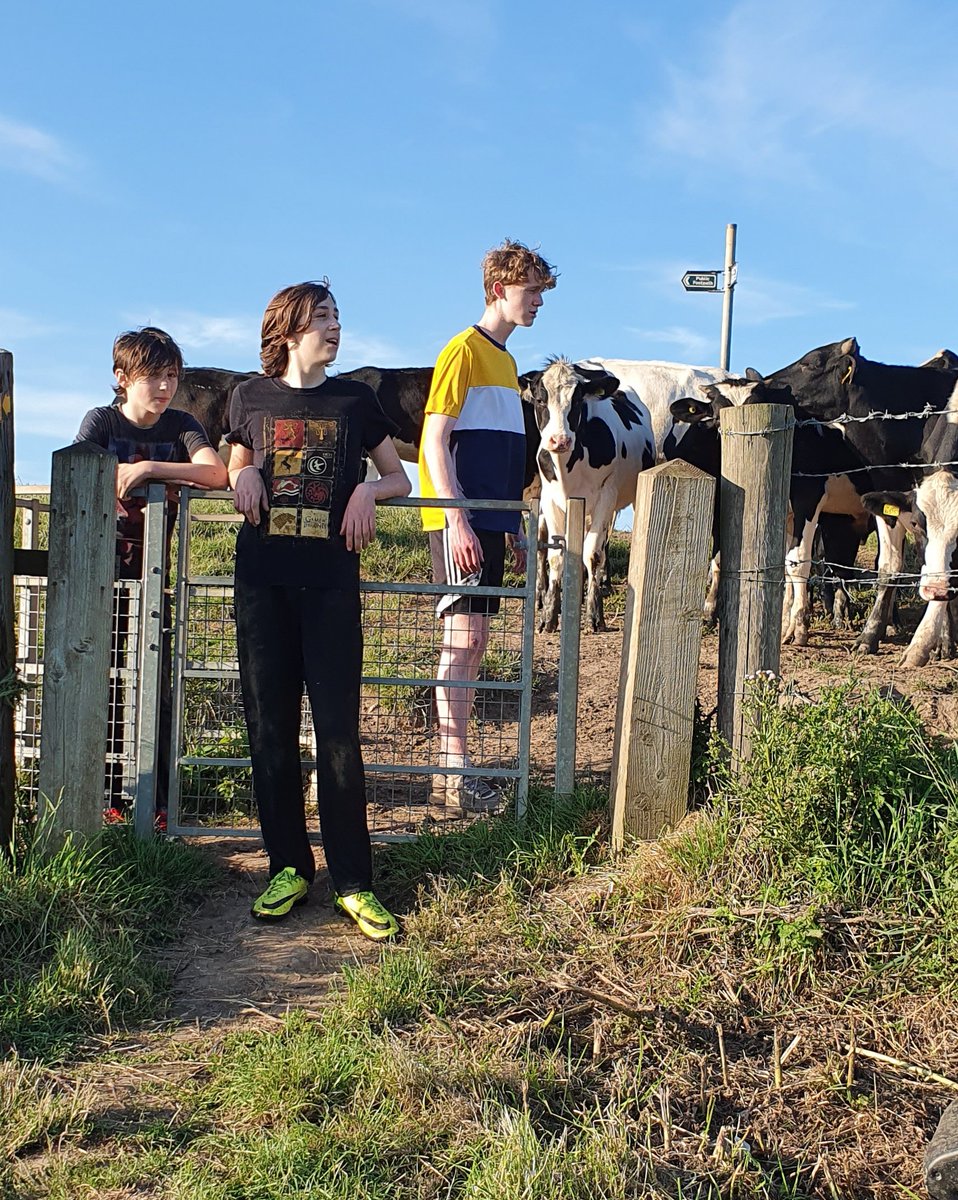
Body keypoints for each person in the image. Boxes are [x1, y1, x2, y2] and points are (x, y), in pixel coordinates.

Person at [226, 280, 410, 939]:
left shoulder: (356, 400)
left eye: (337, 315)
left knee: (337, 736)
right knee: (269, 729)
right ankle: (289, 867)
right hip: (264, 586)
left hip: (332, 587)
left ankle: (354, 883)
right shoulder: (249, 396)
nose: (334, 326)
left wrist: (367, 491)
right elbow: (235, 466)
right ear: (288, 328)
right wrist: (240, 473)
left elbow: (400, 477)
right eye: (321, 317)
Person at [419, 240, 557, 811]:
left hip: (488, 523)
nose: (537, 304)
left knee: (474, 643)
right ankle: (452, 773)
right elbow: (434, 441)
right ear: (499, 290)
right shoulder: (463, 351)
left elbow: (497, 455)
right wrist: (456, 521)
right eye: (531, 293)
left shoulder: (505, 362)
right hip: (460, 523)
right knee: (462, 639)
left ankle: (456, 771)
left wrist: (513, 529)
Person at [75, 327, 228, 830]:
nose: (165, 387)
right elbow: (79, 472)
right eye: (152, 377)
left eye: (171, 376)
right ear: (122, 379)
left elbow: (216, 474)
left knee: (156, 689)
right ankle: (104, 797)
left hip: (155, 578)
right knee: (104, 684)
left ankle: (157, 804)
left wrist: (148, 470)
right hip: (102, 579)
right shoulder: (101, 421)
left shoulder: (182, 424)